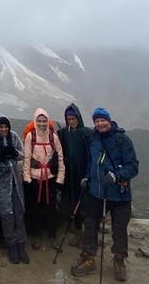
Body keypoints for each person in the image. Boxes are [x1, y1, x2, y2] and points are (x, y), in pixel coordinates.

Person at [70, 107, 139, 282]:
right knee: (90, 224)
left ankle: (119, 260)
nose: (100, 124)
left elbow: (133, 166)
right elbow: (91, 162)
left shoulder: (122, 139)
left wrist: (118, 175)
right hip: (96, 192)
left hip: (119, 195)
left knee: (119, 229)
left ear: (109, 120)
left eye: (102, 120)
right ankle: (89, 258)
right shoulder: (94, 138)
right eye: (96, 121)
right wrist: (87, 176)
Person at [0, 112, 29, 265]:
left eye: (6, 127)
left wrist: (15, 153)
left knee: (18, 212)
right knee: (6, 214)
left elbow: (22, 154)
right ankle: (11, 245)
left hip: (15, 180)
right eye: (1, 127)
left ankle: (21, 244)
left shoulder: (14, 137)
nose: (3, 129)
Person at [22, 108, 65, 251]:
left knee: (51, 208)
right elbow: (27, 158)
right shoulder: (30, 137)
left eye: (44, 121)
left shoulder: (53, 136)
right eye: (39, 121)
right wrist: (27, 177)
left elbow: (60, 157)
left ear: (48, 121)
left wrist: (60, 178)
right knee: (36, 209)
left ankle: (52, 236)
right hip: (35, 179)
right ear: (35, 121)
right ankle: (38, 235)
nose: (41, 124)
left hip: (50, 179)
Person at [56, 103, 92, 248]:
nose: (71, 121)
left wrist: (89, 174)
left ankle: (90, 235)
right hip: (69, 177)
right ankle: (78, 232)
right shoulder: (63, 133)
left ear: (78, 118)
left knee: (86, 205)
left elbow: (91, 155)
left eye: (73, 118)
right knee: (72, 203)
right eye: (68, 119)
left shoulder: (87, 133)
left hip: (83, 176)